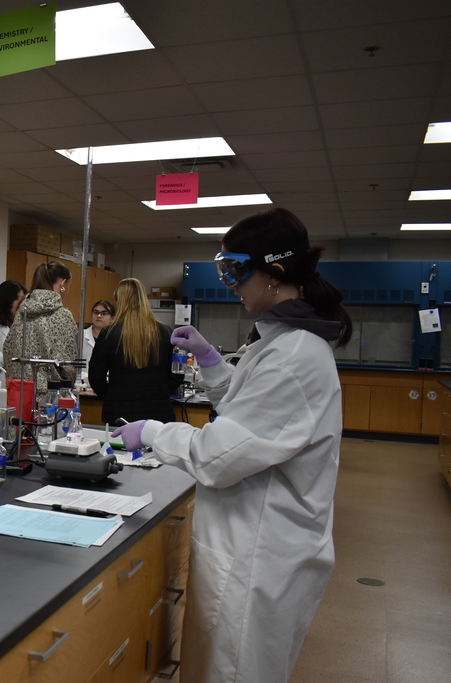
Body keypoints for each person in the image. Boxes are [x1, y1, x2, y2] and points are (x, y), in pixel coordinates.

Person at [112, 207, 351, 683]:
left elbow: (218, 455)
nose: (230, 283)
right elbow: (252, 413)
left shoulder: (293, 355)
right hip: (252, 539)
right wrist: (212, 362)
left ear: (275, 273)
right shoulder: (281, 343)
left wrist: (154, 432)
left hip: (261, 550)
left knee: (233, 672)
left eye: (235, 270)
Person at [89, 280, 179, 424]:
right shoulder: (165, 332)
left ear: (120, 301)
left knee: (118, 447)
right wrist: (160, 392)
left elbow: (95, 376)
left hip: (120, 414)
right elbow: (177, 373)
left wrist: (112, 395)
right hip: (158, 412)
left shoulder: (109, 334)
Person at [2, 261, 77, 396]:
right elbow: (67, 363)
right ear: (63, 284)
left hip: (20, 393)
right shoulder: (63, 316)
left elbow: (8, 350)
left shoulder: (22, 312)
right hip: (50, 395)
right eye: (69, 285)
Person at [80, 299, 115, 380]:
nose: (99, 316)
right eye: (96, 312)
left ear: (112, 318)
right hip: (83, 383)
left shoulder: (116, 339)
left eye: (104, 313)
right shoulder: (81, 336)